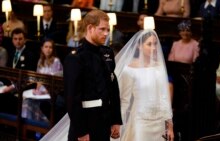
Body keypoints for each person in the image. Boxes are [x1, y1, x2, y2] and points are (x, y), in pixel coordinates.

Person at [40, 9, 122, 141]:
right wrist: (81, 131)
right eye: (102, 29)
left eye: (108, 29)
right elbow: (72, 98)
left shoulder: (107, 53)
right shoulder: (75, 58)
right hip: (85, 125)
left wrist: (116, 120)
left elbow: (113, 88)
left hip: (104, 123)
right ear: (90, 28)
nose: (106, 33)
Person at [114, 29, 174, 141]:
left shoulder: (159, 68)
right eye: (149, 44)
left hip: (159, 122)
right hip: (140, 121)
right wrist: (117, 124)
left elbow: (164, 97)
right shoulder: (129, 69)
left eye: (155, 44)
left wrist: (170, 126)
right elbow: (124, 100)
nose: (154, 48)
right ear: (139, 46)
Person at [22, 39, 63, 123]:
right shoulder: (40, 61)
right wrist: (37, 89)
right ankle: (29, 124)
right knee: (27, 101)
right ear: (42, 48)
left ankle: (41, 126)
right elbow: (38, 79)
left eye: (50, 47)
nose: (48, 49)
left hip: (50, 92)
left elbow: (56, 81)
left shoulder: (56, 61)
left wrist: (44, 92)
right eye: (46, 47)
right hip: (40, 92)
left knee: (40, 103)